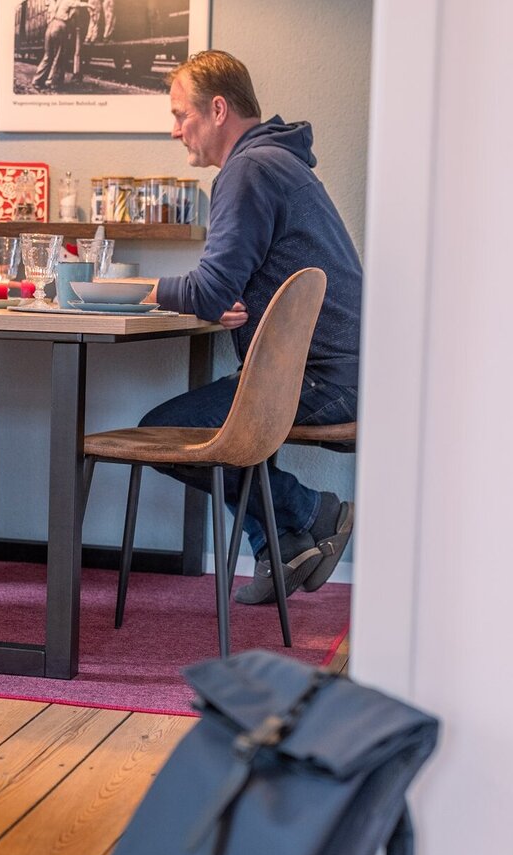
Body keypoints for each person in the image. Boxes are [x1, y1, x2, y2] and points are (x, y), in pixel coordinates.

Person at [142, 50, 361, 604]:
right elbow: (228, 286)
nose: (175, 131)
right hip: (339, 372)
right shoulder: (277, 162)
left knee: (164, 434)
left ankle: (315, 511)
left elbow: (211, 290)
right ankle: (283, 547)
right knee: (223, 421)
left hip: (318, 380)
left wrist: (143, 291)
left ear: (217, 109)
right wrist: (230, 295)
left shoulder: (250, 169)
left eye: (180, 114)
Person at [32, 0, 91, 91]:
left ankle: (36, 81)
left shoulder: (55, 2)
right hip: (59, 26)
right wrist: (90, 5)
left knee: (47, 56)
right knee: (58, 56)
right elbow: (78, 4)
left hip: (50, 27)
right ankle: (53, 82)